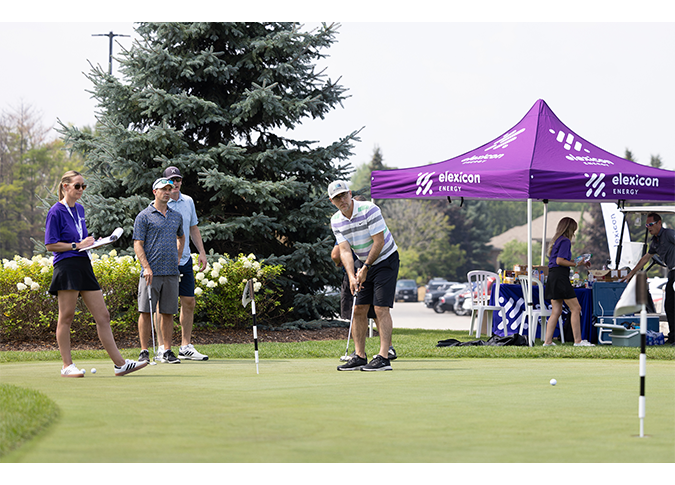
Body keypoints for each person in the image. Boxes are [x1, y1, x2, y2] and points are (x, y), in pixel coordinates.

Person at [45, 170, 148, 377]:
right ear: (65, 186)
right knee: (66, 316)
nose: (81, 189)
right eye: (77, 186)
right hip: (66, 266)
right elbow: (50, 245)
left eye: (83, 186)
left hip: (84, 264)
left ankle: (120, 364)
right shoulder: (55, 211)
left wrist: (94, 243)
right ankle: (67, 366)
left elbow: (81, 241)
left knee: (103, 316)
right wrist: (77, 245)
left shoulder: (80, 209)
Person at [329, 180, 399, 371]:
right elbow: (344, 251)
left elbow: (379, 241)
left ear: (350, 193)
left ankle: (384, 357)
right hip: (362, 260)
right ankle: (359, 356)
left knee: (380, 308)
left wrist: (366, 267)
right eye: (337, 198)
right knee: (358, 308)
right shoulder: (336, 220)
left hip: (385, 259)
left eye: (344, 195)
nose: (342, 200)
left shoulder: (369, 209)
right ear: (331, 201)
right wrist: (352, 276)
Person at [149, 166, 209, 361]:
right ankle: (162, 347)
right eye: (171, 181)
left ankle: (185, 346)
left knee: (189, 301)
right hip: (164, 263)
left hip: (184, 260)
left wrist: (201, 252)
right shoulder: (160, 202)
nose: (175, 184)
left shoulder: (188, 201)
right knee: (163, 306)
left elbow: (193, 228)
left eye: (178, 180)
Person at [134, 177, 185, 364]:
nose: (167, 192)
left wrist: (178, 256)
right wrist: (146, 267)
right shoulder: (144, 216)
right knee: (145, 312)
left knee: (168, 312)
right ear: (155, 192)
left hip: (171, 272)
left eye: (169, 189)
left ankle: (167, 351)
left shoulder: (176, 216)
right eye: (163, 189)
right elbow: (138, 244)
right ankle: (144, 351)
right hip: (151, 273)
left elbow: (181, 237)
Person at [542, 217, 594, 347]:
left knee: (556, 311)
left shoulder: (557, 240)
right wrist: (576, 264)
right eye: (574, 230)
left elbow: (559, 260)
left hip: (553, 276)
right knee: (576, 308)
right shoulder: (565, 241)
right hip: (560, 277)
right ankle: (578, 341)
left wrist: (579, 262)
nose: (574, 233)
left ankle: (547, 342)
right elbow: (560, 261)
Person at [624, 212, 675, 345]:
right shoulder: (655, 242)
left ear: (659, 223)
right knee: (669, 306)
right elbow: (645, 259)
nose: (648, 227)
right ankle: (673, 337)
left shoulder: (669, 234)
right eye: (646, 225)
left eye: (651, 224)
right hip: (672, 273)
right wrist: (630, 274)